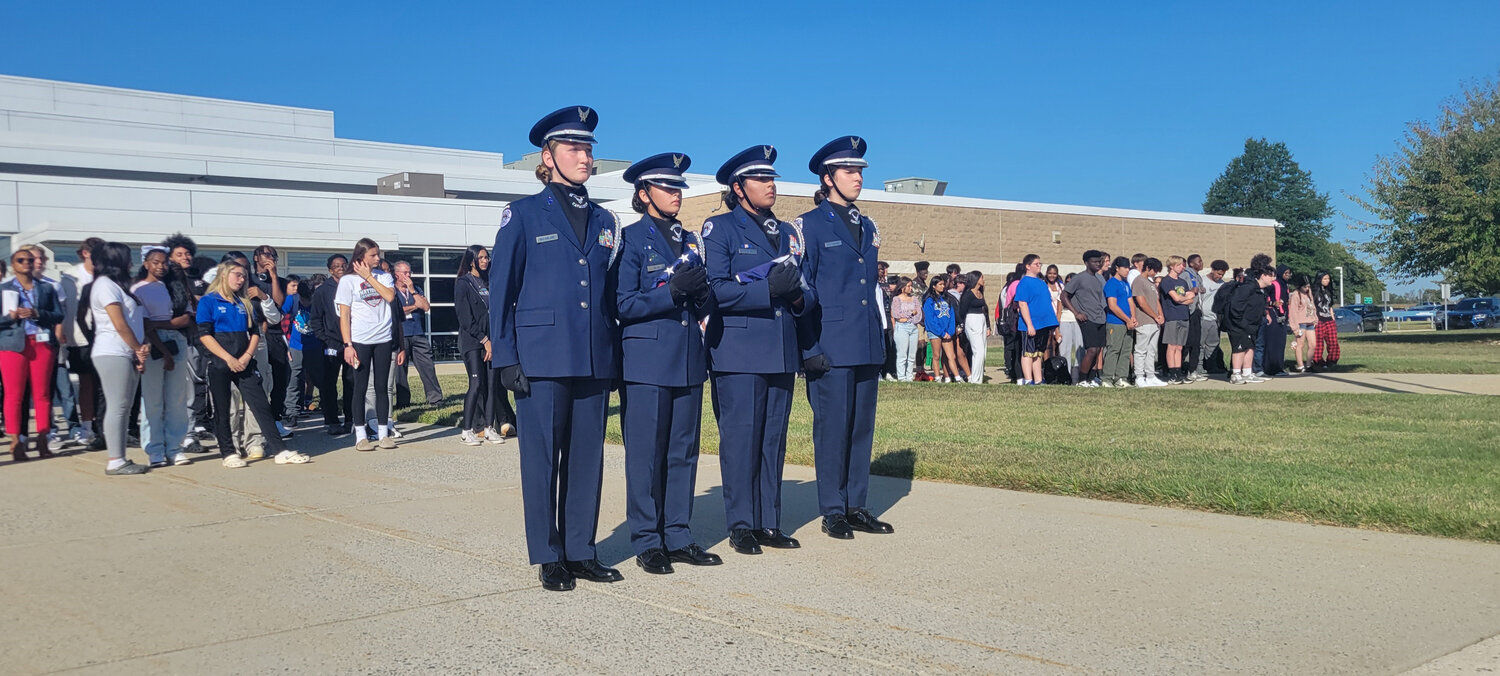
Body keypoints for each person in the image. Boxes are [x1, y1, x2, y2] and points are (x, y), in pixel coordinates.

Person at [490, 106, 624, 591]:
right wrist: (505, 356)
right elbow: (502, 291)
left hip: (592, 355)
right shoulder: (523, 214)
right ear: (547, 156)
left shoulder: (607, 219)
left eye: (588, 148)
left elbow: (609, 295)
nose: (585, 156)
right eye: (574, 148)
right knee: (543, 460)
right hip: (541, 357)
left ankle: (581, 550)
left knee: (587, 458)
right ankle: (549, 554)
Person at [701, 144, 815, 558]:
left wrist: (801, 299)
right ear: (738, 186)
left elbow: (806, 288)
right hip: (739, 351)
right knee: (741, 441)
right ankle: (742, 524)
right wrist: (767, 289)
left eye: (772, 179)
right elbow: (716, 289)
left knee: (773, 440)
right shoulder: (721, 229)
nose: (770, 186)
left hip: (781, 350)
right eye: (761, 179)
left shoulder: (788, 232)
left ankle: (769, 520)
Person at [613, 152, 722, 573]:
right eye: (667, 187)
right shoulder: (631, 240)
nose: (676, 194)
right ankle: (646, 539)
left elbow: (703, 299)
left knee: (683, 452)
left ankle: (677, 534)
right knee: (646, 456)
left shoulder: (691, 240)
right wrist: (672, 292)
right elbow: (623, 303)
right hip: (646, 361)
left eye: (678, 187)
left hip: (688, 359)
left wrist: (698, 293)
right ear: (644, 193)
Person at [797, 136, 896, 541]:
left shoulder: (867, 224)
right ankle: (833, 509)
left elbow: (869, 288)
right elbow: (802, 291)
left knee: (860, 428)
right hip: (829, 343)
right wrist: (809, 348)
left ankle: (856, 504)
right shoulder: (807, 225)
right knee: (832, 429)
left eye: (859, 171)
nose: (857, 178)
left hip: (866, 341)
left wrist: (881, 340)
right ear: (828, 177)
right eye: (849, 171)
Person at [197, 261, 310, 467]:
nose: (242, 280)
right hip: (221, 363)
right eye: (237, 275)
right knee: (223, 409)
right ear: (224, 275)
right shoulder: (208, 301)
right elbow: (204, 335)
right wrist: (228, 358)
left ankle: (280, 450)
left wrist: (247, 356)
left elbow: (255, 333)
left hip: (245, 362)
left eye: (243, 276)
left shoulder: (244, 302)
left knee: (260, 405)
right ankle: (228, 453)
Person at [87, 242, 151, 475]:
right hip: (112, 350)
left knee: (124, 406)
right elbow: (120, 324)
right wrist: (138, 348)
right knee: (118, 406)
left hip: (125, 351)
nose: (131, 263)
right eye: (127, 258)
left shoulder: (118, 286)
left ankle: (120, 456)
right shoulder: (104, 285)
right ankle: (115, 460)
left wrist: (137, 350)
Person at [337, 238, 404, 452]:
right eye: (373, 255)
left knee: (383, 386)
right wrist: (348, 344)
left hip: (383, 339)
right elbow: (344, 315)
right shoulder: (347, 281)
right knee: (361, 387)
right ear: (361, 257)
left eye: (378, 254)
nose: (377, 258)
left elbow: (389, 296)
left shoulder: (383, 276)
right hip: (359, 340)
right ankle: (361, 435)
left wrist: (369, 277)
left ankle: (383, 433)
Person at [132, 247, 192, 468]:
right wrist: (164, 352)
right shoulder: (139, 289)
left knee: (177, 399)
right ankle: (155, 450)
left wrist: (160, 323)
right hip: (152, 344)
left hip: (177, 341)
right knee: (152, 401)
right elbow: (145, 325)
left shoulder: (174, 287)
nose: (160, 266)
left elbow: (185, 319)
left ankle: (175, 447)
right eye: (155, 262)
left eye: (164, 262)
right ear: (146, 263)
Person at [1, 249, 63, 461]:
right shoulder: (4, 289)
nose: (26, 263)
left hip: (41, 343)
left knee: (43, 394)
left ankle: (43, 436)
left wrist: (37, 314)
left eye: (30, 259)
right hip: (12, 345)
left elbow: (59, 314)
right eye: (21, 260)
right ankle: (15, 439)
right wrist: (10, 317)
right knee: (13, 395)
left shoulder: (46, 288)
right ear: (13, 264)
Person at [454, 244, 513, 446]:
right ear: (472, 261)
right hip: (473, 341)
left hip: (491, 341)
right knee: (477, 383)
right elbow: (465, 318)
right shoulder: (464, 283)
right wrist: (484, 340)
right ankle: (467, 429)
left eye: (487, 257)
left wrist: (493, 340)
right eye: (481, 258)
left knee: (491, 384)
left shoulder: (489, 282)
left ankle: (489, 427)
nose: (485, 261)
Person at [60, 238, 104, 449]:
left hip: (104, 335)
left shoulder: (106, 274)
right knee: (87, 383)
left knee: (104, 385)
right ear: (85, 253)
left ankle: (104, 426)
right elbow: (67, 309)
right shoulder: (70, 277)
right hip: (79, 337)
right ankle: (87, 426)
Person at [310, 254, 354, 436]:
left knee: (351, 381)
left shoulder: (353, 285)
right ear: (330, 270)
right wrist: (324, 338)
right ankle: (332, 420)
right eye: (336, 266)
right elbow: (316, 318)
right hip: (331, 343)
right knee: (329, 383)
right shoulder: (322, 291)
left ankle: (351, 418)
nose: (341, 268)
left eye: (344, 264)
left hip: (351, 343)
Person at [390, 260, 444, 408]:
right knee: (401, 369)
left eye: (409, 272)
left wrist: (412, 290)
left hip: (418, 333)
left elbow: (426, 307)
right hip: (401, 334)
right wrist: (415, 306)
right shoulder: (392, 291)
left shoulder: (416, 290)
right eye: (405, 272)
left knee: (427, 366)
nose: (408, 275)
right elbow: (398, 311)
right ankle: (403, 401)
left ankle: (435, 398)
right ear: (396, 274)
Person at [251, 245, 292, 432]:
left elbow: (279, 303)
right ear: (256, 257)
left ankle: (276, 418)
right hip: (254, 334)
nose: (270, 258)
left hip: (276, 335)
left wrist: (274, 276)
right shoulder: (248, 280)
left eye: (273, 256)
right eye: (266, 254)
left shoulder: (280, 281)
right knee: (259, 378)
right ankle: (258, 420)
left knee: (279, 378)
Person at [1062, 250, 1108, 387]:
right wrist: (1076, 313)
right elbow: (1064, 296)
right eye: (1094, 262)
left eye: (1099, 261)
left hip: (1101, 317)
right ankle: (1081, 380)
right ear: (1086, 263)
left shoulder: (1100, 278)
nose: (1098, 264)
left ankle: (1091, 378)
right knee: (1091, 349)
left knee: (1099, 350)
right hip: (1087, 319)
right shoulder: (1079, 278)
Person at [1013, 254, 1059, 385]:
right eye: (1036, 264)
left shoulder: (1041, 283)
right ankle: (1028, 379)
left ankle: (1038, 379)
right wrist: (1029, 325)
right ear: (1028, 266)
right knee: (1028, 352)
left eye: (1040, 264)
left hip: (1043, 324)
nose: (1039, 266)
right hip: (1031, 324)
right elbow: (1022, 304)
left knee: (1038, 353)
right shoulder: (1024, 283)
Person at [1227, 268, 1273, 384]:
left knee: (1250, 347)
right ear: (1263, 276)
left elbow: (1258, 306)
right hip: (1239, 324)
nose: (1273, 279)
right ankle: (1236, 374)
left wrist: (1263, 315)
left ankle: (1247, 373)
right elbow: (1236, 305)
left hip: (1252, 324)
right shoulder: (1247, 287)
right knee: (1240, 348)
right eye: (1271, 276)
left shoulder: (1260, 290)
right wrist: (1242, 322)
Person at [1158, 255, 1197, 385]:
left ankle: (1179, 371)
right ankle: (1172, 373)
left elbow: (1192, 299)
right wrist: (1185, 296)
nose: (1182, 267)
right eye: (1179, 265)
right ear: (1172, 266)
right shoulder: (1167, 281)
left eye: (1182, 265)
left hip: (1183, 316)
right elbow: (1176, 298)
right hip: (1172, 317)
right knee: (1172, 346)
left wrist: (1185, 297)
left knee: (1179, 347)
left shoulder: (1182, 282)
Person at [1130, 257, 1167, 387]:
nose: (1155, 273)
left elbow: (1156, 301)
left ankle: (1150, 375)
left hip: (1154, 322)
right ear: (1147, 268)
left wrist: (1161, 315)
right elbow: (1141, 302)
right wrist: (1154, 316)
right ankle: (1139, 376)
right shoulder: (1138, 281)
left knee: (1152, 350)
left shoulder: (1150, 283)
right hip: (1144, 321)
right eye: (1154, 270)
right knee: (1141, 350)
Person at [1102, 256, 1137, 388]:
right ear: (1117, 268)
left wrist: (1133, 318)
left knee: (1126, 351)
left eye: (1129, 267)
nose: (1128, 270)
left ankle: (1121, 377)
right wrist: (1127, 319)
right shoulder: (1111, 283)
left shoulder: (1126, 283)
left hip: (1128, 322)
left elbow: (1130, 301)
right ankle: (1107, 378)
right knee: (1114, 349)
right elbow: (1112, 305)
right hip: (1116, 322)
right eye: (1125, 267)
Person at [1194, 260, 1230, 378]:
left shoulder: (1222, 285)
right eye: (1218, 273)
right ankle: (1198, 366)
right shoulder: (1202, 281)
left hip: (1215, 319)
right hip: (1203, 318)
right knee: (1200, 344)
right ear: (1213, 270)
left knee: (1213, 344)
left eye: (1222, 274)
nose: (1220, 276)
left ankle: (1211, 366)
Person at [922, 274, 959, 382]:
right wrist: (941, 332)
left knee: (951, 356)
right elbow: (930, 319)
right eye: (940, 284)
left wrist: (950, 331)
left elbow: (951, 316)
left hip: (947, 332)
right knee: (936, 355)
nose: (943, 286)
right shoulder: (929, 301)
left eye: (943, 284)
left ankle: (957, 377)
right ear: (934, 286)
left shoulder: (947, 299)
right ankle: (937, 377)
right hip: (935, 332)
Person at [957, 271, 990, 384]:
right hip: (972, 320)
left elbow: (985, 310)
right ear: (976, 279)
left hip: (981, 320)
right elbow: (962, 311)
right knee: (978, 351)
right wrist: (962, 325)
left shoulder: (980, 292)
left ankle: (979, 377)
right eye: (981, 277)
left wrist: (988, 326)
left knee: (983, 351)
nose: (983, 279)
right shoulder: (968, 294)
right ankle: (975, 379)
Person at [890, 277, 922, 381]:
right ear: (902, 287)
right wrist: (910, 313)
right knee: (902, 353)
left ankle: (909, 376)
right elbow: (897, 314)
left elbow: (919, 314)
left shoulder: (914, 299)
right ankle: (901, 376)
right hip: (902, 328)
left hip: (913, 327)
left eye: (911, 286)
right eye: (908, 286)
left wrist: (909, 318)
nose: (910, 288)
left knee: (912, 354)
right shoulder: (896, 299)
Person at [1056, 272, 1084, 383]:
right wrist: (1057, 330)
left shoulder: (1080, 294)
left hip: (1078, 322)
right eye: (1067, 281)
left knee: (1079, 350)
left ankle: (1078, 378)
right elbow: (1058, 313)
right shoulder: (1062, 294)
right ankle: (1065, 377)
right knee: (1064, 350)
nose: (1069, 284)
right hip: (1064, 321)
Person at [1286, 273, 1317, 373]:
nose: (1307, 288)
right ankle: (1300, 365)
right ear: (1300, 286)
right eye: (1305, 286)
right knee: (1300, 344)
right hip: (1300, 323)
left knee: (1313, 345)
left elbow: (1312, 306)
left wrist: (1315, 317)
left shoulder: (1309, 293)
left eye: (1308, 286)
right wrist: (1295, 328)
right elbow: (1293, 312)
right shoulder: (1296, 295)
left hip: (1310, 322)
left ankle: (1308, 364)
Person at [1311, 271, 1340, 371]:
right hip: (1318, 320)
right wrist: (1314, 319)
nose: (1327, 281)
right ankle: (1318, 361)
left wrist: (1332, 317)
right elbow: (1312, 306)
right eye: (1325, 279)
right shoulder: (1313, 291)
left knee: (1333, 342)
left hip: (1329, 319)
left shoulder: (1328, 291)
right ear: (1319, 279)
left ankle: (1332, 361)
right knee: (1318, 343)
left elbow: (1330, 306)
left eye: (1328, 279)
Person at [876, 261, 897, 381]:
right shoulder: (873, 283)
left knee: (889, 345)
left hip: (889, 316)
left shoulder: (887, 284)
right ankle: (878, 371)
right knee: (880, 345)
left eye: (883, 269)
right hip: (878, 315)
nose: (882, 271)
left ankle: (888, 371)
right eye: (879, 269)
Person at [1044, 264, 1064, 360]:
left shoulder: (1060, 286)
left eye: (1054, 273)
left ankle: (1055, 364)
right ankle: (1046, 364)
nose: (1052, 275)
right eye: (1050, 273)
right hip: (1046, 315)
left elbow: (1061, 303)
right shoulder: (1043, 285)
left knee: (1057, 343)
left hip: (1058, 315)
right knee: (1047, 343)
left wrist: (1057, 319)